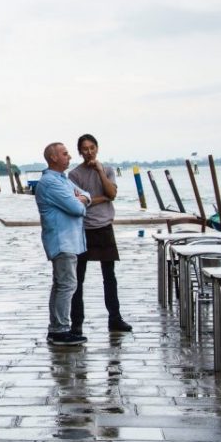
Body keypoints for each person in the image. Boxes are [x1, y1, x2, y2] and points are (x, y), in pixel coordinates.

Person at [67, 134, 132, 334]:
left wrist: (100, 172)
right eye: (85, 149)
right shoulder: (74, 175)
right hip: (83, 229)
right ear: (80, 151)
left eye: (92, 148)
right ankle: (76, 322)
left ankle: (115, 317)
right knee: (78, 278)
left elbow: (111, 194)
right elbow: (78, 201)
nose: (89, 152)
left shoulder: (108, 170)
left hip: (104, 226)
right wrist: (100, 197)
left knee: (109, 276)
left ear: (97, 148)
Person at [34, 142, 91, 346]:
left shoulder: (63, 180)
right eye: (65, 154)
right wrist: (81, 201)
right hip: (62, 240)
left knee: (62, 285)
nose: (69, 157)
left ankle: (57, 328)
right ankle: (60, 329)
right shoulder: (51, 183)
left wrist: (83, 198)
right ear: (53, 158)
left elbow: (87, 195)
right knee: (66, 285)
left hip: (70, 241)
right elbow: (76, 208)